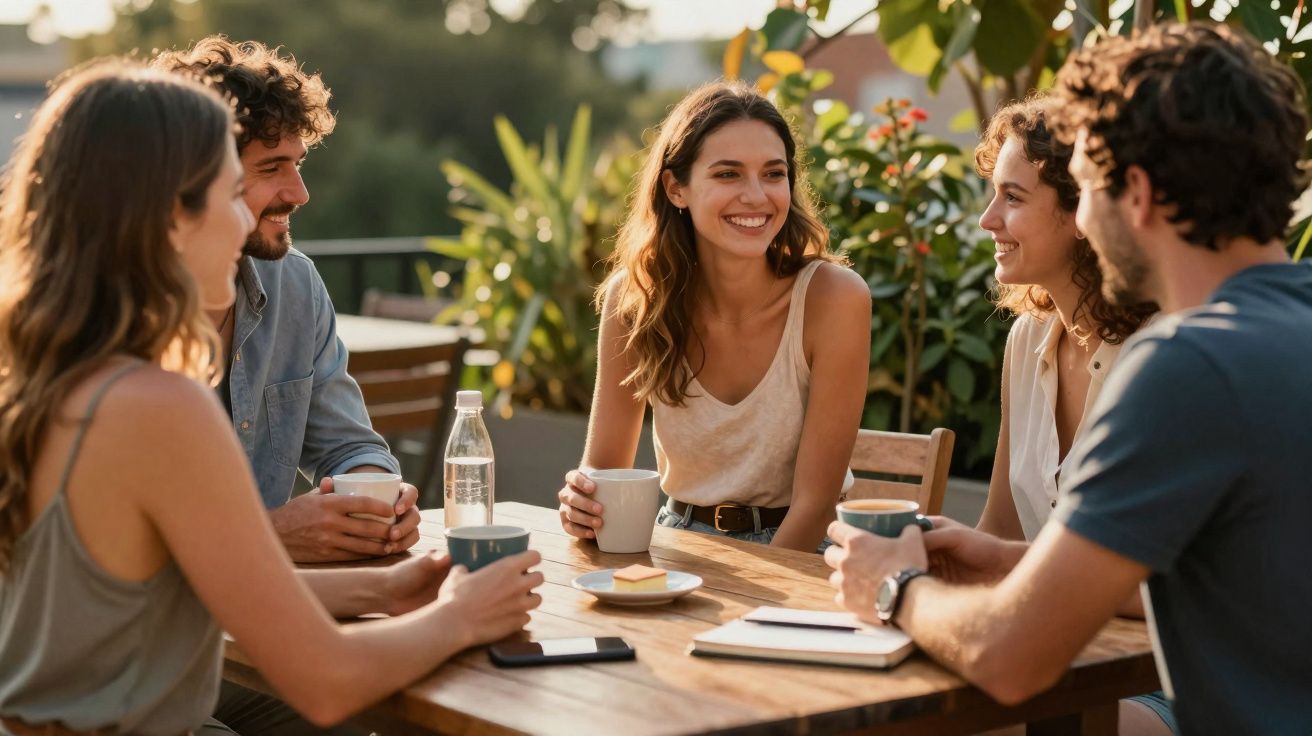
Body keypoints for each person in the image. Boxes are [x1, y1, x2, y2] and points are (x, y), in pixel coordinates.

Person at [0, 61, 541, 735]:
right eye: (233, 193)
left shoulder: (50, 374)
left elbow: (177, 589)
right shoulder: (160, 406)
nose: (242, 227)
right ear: (169, 217)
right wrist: (463, 613)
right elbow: (327, 681)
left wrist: (386, 586)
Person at [825, 22, 1312, 735]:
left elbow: (1008, 657)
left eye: (1084, 187)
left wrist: (894, 586)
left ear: (1137, 194)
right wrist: (1005, 559)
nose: (1085, 215)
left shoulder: (1187, 364)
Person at [556, 81, 870, 552]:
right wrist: (583, 506)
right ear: (676, 188)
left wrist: (747, 612)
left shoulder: (834, 298)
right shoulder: (637, 299)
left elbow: (815, 505)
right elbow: (604, 473)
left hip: (805, 550)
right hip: (675, 542)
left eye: (773, 173)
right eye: (728, 174)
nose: (756, 196)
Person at [152, 37, 417, 565]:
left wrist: (375, 500)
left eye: (298, 163)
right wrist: (269, 535)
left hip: (267, 606)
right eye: (270, 169)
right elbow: (123, 553)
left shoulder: (294, 285)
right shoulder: (112, 321)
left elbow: (347, 447)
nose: (299, 193)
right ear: (192, 184)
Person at [974, 96, 1172, 733]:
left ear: (1081, 208)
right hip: (1056, 661)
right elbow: (1001, 530)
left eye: (1013, 197)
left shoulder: (1163, 356)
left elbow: (1184, 589)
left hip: (1165, 683)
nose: (987, 219)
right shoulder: (1027, 339)